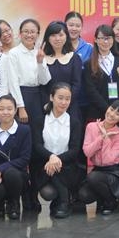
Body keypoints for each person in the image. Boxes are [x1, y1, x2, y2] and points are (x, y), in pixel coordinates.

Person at [32, 83, 85, 218]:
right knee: (48, 191)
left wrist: (57, 159)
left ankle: (63, 202)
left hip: (67, 166)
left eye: (67, 99)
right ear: (51, 97)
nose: (64, 102)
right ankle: (64, 200)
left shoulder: (74, 122)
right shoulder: (40, 120)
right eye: (60, 98)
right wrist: (51, 157)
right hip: (45, 165)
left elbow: (74, 150)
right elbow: (37, 146)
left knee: (58, 169)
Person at [0, 95, 32, 220]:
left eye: (9, 109)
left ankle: (13, 204)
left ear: (15, 110)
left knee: (11, 174)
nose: (5, 112)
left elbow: (24, 158)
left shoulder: (24, 130)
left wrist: (0, 169)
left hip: (17, 175)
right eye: (1, 109)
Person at [79, 100, 119, 215]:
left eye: (117, 114)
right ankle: (103, 199)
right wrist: (101, 138)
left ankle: (111, 202)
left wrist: (106, 139)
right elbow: (87, 152)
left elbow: (107, 160)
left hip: (114, 171)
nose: (112, 114)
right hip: (98, 170)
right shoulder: (91, 127)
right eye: (112, 109)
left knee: (93, 177)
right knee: (84, 194)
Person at [84, 24, 119, 121]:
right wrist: (108, 109)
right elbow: (91, 91)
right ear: (96, 40)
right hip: (97, 113)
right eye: (102, 38)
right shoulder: (89, 64)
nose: (106, 42)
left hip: (118, 115)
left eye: (109, 38)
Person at [7, 18, 51, 126]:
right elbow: (13, 82)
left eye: (32, 32)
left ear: (38, 34)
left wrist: (40, 62)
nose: (29, 35)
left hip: (37, 96)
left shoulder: (39, 53)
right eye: (26, 31)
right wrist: (20, 107)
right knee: (22, 129)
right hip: (21, 95)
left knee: (37, 130)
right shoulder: (13, 53)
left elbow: (44, 81)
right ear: (20, 33)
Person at [42, 21, 82, 122]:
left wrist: (65, 102)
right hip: (48, 107)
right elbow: (41, 86)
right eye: (53, 35)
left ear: (66, 36)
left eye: (61, 35)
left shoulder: (74, 57)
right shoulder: (41, 58)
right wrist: (50, 104)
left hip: (70, 107)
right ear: (47, 38)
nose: (57, 39)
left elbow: (76, 84)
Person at [65, 11, 93, 121]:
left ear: (81, 28)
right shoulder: (59, 46)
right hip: (63, 99)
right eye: (71, 25)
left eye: (77, 26)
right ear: (65, 25)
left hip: (84, 99)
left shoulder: (89, 48)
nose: (74, 28)